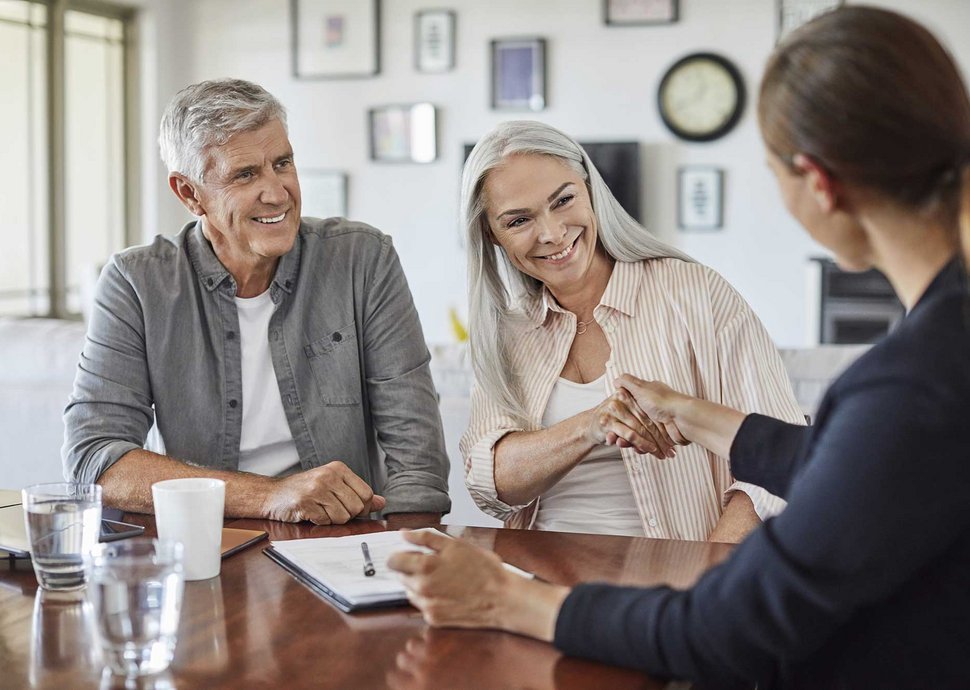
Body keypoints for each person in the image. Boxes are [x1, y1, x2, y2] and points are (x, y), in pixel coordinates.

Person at [389, 6, 970, 688]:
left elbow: (734, 626)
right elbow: (847, 461)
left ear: (817, 182)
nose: (549, 231)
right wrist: (691, 414)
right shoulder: (933, 354)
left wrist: (503, 596)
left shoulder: (910, 381)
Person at [62, 79, 450, 526]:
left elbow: (416, 459)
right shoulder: (136, 283)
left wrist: (402, 562)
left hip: (341, 538)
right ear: (190, 194)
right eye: (245, 174)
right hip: (205, 537)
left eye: (282, 163)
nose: (277, 192)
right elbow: (95, 460)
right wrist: (269, 495)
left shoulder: (362, 258)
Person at [459, 120, 803, 542]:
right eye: (518, 221)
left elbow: (778, 464)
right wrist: (590, 425)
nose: (551, 233)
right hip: (538, 579)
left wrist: (704, 584)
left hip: (677, 581)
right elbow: (489, 484)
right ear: (491, 237)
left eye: (563, 200)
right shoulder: (507, 333)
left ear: (591, 191)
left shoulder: (697, 293)